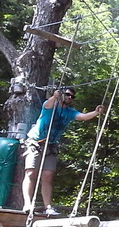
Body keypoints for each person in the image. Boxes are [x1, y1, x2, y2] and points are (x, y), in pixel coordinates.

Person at [21, 87, 104, 215]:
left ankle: (48, 207)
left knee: (48, 176)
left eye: (72, 96)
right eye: (67, 95)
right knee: (31, 173)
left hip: (51, 146)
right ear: (62, 95)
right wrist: (55, 96)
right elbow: (48, 104)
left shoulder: (70, 112)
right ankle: (27, 204)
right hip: (36, 143)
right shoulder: (50, 106)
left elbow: (83, 117)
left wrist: (96, 112)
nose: (70, 97)